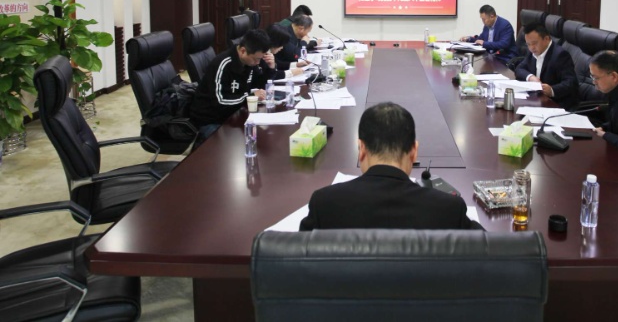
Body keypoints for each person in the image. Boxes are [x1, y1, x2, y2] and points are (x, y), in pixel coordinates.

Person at [300, 102, 481, 231]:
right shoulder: (449, 210)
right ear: (414, 152)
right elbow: (491, 253)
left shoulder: (324, 204)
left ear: (361, 149)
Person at [189, 29, 271, 139]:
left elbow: (259, 83)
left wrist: (271, 68)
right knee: (240, 143)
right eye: (256, 59)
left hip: (233, 113)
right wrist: (249, 97)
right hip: (210, 120)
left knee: (259, 135)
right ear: (243, 51)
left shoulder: (249, 62)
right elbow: (219, 101)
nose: (258, 63)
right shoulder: (222, 64)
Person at [514, 24, 579, 109]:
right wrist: (531, 77)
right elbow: (519, 68)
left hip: (556, 103)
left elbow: (571, 83)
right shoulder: (533, 52)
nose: (531, 47)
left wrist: (552, 90)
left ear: (546, 39)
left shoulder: (560, 55)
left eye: (534, 43)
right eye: (528, 44)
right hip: (537, 99)